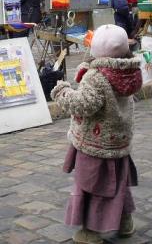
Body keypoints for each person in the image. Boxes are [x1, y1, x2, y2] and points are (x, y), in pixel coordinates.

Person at [51, 24, 142, 244]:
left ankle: (90, 231)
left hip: (95, 144)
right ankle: (124, 222)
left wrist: (62, 92)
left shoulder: (97, 77)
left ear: (97, 51)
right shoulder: (126, 71)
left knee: (92, 184)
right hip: (118, 143)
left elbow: (83, 104)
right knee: (118, 184)